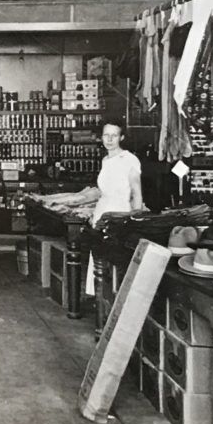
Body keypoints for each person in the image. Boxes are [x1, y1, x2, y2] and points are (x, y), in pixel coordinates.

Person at [69, 122, 144, 295]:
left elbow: (137, 193)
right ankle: (100, 298)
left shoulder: (129, 159)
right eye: (106, 135)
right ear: (101, 137)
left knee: (114, 260)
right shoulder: (105, 160)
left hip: (120, 214)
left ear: (122, 137)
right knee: (99, 259)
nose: (109, 139)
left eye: (114, 135)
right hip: (102, 213)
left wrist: (135, 219)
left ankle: (113, 299)